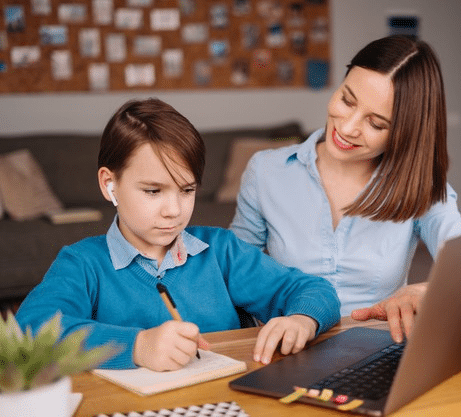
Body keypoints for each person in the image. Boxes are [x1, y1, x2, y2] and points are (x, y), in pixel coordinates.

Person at [16, 98, 340, 370]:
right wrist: (137, 346)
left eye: (186, 190)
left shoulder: (221, 251)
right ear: (109, 184)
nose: (174, 210)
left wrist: (302, 318)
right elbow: (32, 328)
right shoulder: (82, 263)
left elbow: (312, 290)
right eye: (154, 191)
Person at [230, 35, 461, 344]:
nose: (348, 127)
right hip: (285, 349)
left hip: (377, 350)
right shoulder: (266, 172)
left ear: (404, 133)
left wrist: (426, 290)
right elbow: (232, 273)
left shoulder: (422, 187)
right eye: (347, 100)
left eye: (377, 124)